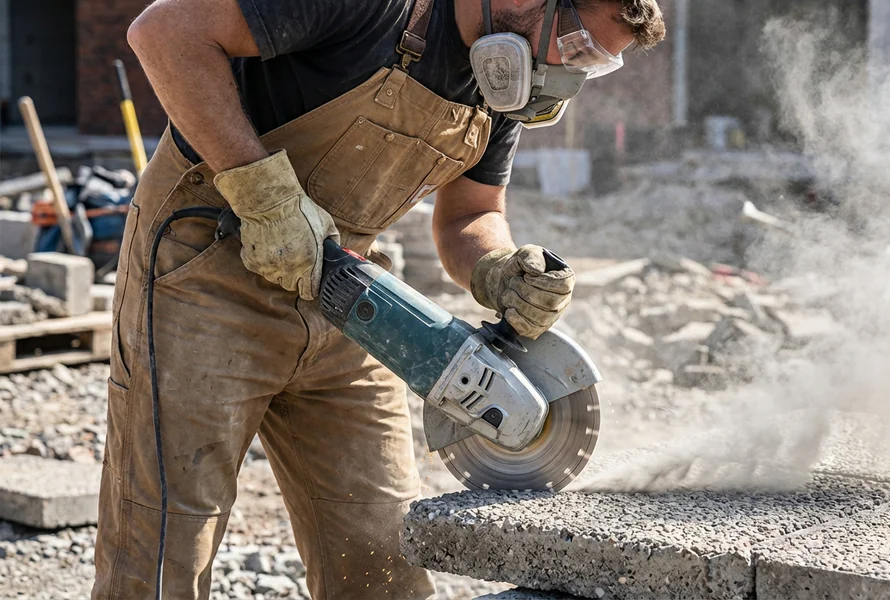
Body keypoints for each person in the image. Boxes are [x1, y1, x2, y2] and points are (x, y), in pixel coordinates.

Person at [92, 0, 665, 598]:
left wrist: (497, 268)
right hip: (206, 281)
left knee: (382, 553)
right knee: (164, 549)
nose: (570, 72)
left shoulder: (501, 88)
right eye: (575, 46)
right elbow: (164, 34)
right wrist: (262, 192)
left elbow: (471, 215)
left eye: (594, 64)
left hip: (347, 300)